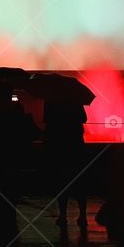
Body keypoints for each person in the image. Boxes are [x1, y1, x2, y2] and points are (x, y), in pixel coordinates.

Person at [43, 96, 88, 229]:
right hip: (75, 144)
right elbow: (84, 118)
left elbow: (47, 119)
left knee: (61, 181)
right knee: (79, 181)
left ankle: (63, 215)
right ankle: (83, 215)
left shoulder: (51, 99)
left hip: (59, 145)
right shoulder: (75, 99)